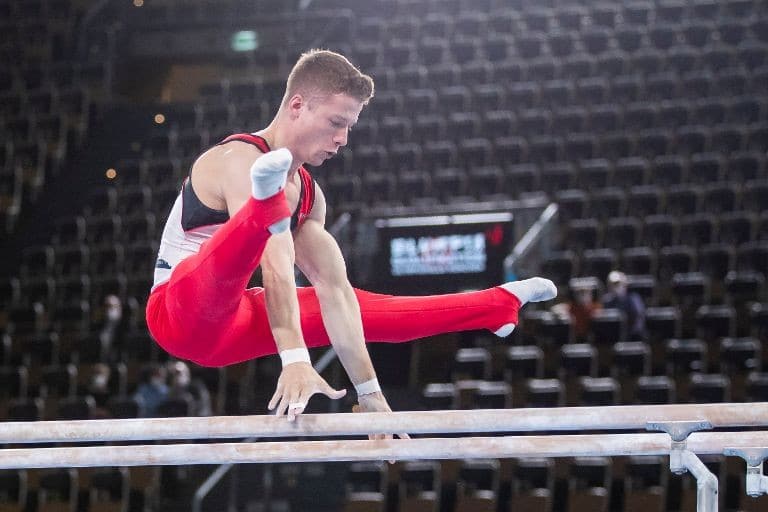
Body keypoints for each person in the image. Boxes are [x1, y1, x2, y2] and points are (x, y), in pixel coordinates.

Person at [145, 49, 557, 427]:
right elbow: (275, 266)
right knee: (237, 253)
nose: (343, 139)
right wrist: (294, 360)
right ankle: (261, 209)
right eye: (336, 123)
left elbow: (334, 292)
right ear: (297, 105)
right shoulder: (236, 160)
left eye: (349, 127)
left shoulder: (309, 195)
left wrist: (370, 393)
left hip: (234, 326)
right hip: (179, 312)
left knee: (371, 309)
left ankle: (495, 305)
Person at [602, 270, 646, 340]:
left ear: (625, 285)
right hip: (613, 337)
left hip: (632, 336)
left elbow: (637, 319)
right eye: (612, 284)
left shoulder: (633, 299)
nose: (615, 287)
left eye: (617, 284)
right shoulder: (606, 301)